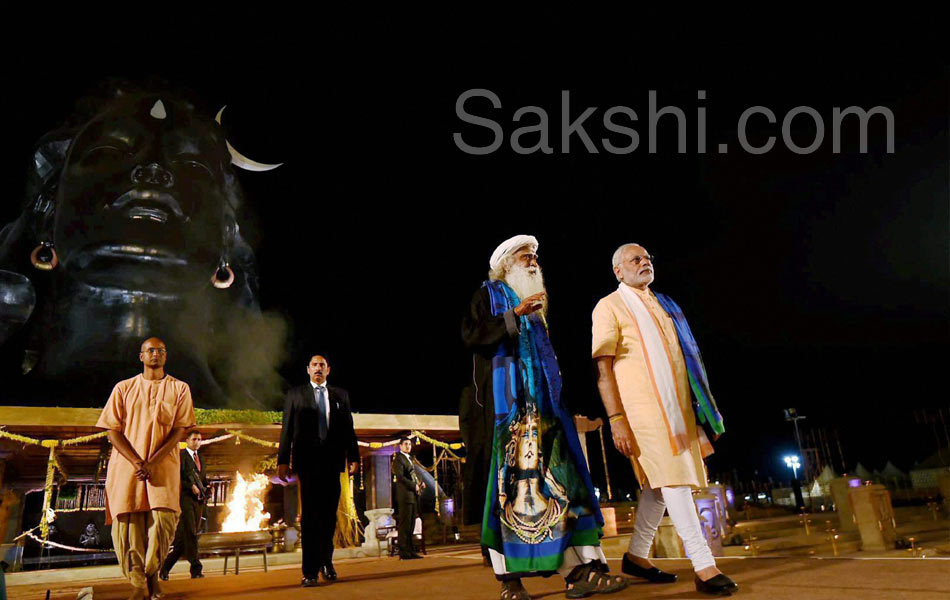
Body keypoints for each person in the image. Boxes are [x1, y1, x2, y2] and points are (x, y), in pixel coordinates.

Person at [460, 235, 628, 600]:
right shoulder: (488, 293)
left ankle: (581, 573)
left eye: (535, 256)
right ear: (506, 263)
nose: (534, 261)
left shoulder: (538, 311)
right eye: (526, 256)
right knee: (504, 494)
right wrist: (513, 315)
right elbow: (472, 335)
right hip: (503, 417)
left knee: (563, 487)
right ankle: (511, 583)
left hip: (544, 414)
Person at [592, 243, 738, 596]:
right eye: (635, 260)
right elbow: (604, 369)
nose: (644, 263)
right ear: (618, 271)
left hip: (677, 408)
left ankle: (637, 557)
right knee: (673, 479)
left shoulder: (666, 304)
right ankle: (703, 565)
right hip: (641, 411)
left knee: (657, 488)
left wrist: (703, 411)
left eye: (647, 259)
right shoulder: (608, 306)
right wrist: (616, 418)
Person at [95, 337, 196, 600]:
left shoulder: (180, 388)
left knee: (163, 522)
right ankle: (138, 582)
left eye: (161, 350)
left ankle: (154, 573)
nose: (155, 354)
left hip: (163, 467)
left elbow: (181, 429)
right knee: (129, 523)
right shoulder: (123, 388)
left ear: (166, 356)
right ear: (141, 356)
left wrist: (153, 461)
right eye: (150, 350)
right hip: (127, 467)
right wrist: (137, 461)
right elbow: (112, 430)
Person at [277, 354, 360, 588]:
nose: (318, 368)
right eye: (314, 365)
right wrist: (283, 460)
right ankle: (309, 571)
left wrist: (353, 456)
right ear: (307, 369)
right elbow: (287, 429)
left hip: (332, 464)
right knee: (311, 518)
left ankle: (327, 562)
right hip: (308, 463)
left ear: (328, 370)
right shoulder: (295, 395)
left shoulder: (340, 396)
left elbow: (347, 428)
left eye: (322, 365)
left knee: (328, 517)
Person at [160, 430, 208, 580]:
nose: (197, 442)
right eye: (194, 439)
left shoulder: (201, 457)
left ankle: (164, 568)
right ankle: (196, 568)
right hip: (185, 499)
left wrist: (207, 488)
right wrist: (190, 486)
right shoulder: (181, 456)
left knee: (183, 539)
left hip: (198, 501)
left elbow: (203, 477)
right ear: (187, 440)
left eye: (199, 439)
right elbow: (177, 477)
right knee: (191, 534)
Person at [393, 437, 425, 559]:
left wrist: (420, 483)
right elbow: (401, 477)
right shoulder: (399, 459)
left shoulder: (409, 458)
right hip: (405, 495)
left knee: (411, 524)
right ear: (400, 446)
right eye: (405, 444)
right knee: (405, 525)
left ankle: (410, 550)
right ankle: (404, 552)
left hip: (412, 495)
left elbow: (412, 475)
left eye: (409, 444)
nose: (408, 446)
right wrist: (413, 486)